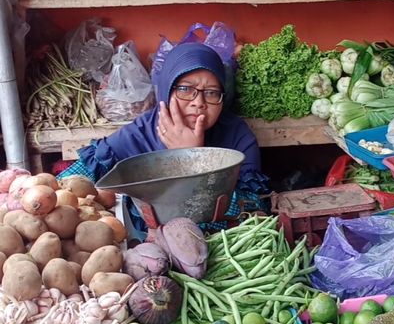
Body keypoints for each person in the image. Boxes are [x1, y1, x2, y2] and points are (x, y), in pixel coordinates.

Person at [58, 42, 268, 228]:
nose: (199, 102)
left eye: (212, 92)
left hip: (223, 243)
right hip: (150, 244)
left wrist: (193, 158)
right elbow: (69, 182)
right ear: (167, 89)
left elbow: (253, 209)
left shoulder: (237, 137)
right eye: (186, 89)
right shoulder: (142, 132)